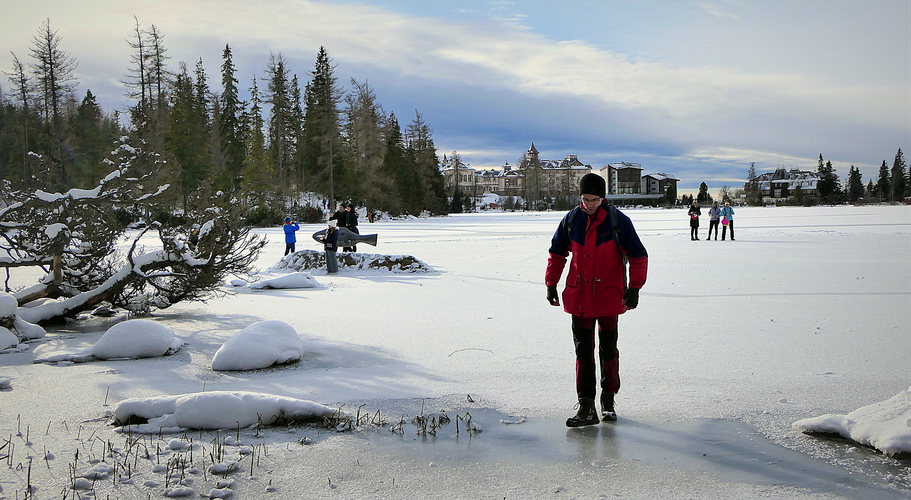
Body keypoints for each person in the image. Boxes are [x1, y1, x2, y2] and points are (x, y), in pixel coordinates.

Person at [546, 173, 648, 427]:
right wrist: (550, 283)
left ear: (603, 198)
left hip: (608, 298)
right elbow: (557, 253)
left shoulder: (617, 221)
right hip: (579, 296)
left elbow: (638, 255)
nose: (588, 204)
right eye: (584, 199)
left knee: (608, 349)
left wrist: (634, 287)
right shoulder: (571, 219)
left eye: (593, 199)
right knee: (583, 353)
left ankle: (608, 399)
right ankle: (586, 405)